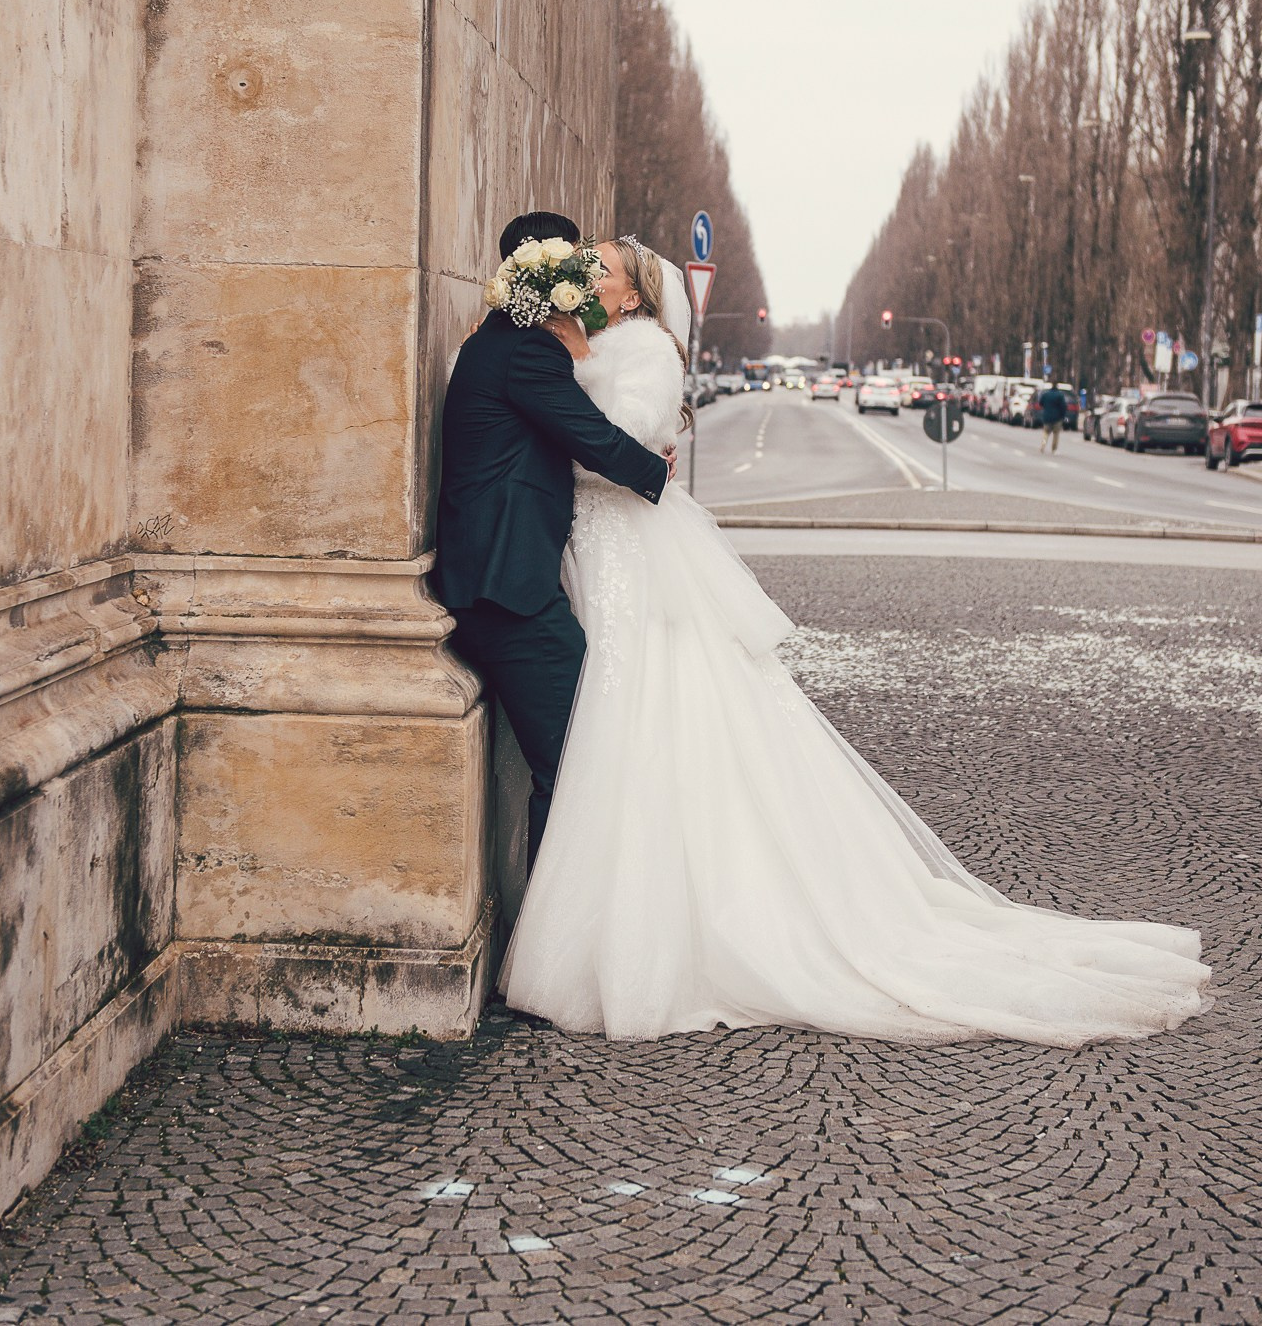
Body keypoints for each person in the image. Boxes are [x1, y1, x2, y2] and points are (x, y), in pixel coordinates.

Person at [499, 238, 1210, 1045]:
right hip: (602, 550)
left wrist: (551, 419)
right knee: (622, 721)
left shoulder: (645, 351)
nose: (587, 278)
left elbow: (616, 453)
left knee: (645, 710)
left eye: (603, 270)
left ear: (634, 297)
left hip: (629, 547)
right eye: (586, 265)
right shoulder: (599, 343)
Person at [434, 212, 672, 868]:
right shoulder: (526, 349)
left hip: (501, 582)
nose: (584, 280)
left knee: (572, 762)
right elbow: (591, 437)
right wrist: (658, 471)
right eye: (576, 269)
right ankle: (549, 940)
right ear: (547, 274)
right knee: (575, 767)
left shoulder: (496, 340)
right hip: (508, 594)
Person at [1036, 383, 1069, 452]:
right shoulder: (1060, 395)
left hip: (1047, 416)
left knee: (1046, 432)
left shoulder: (1046, 394)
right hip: (1057, 418)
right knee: (1056, 434)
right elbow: (1063, 407)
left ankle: (1043, 445)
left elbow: (1040, 403)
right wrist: (1063, 416)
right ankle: (1054, 449)